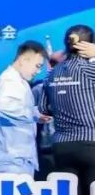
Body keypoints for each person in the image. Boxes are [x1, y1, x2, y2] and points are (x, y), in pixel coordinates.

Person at [46, 25, 95, 195]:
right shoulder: (90, 70)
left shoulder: (53, 73)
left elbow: (44, 107)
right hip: (91, 142)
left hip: (63, 146)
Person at [0, 40, 48, 177]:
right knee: (14, 192)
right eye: (37, 66)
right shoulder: (9, 80)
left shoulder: (20, 81)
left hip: (18, 157)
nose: (38, 71)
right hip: (10, 158)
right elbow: (6, 108)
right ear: (24, 60)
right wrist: (32, 115)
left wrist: (37, 115)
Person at [31, 51, 66, 180]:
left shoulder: (73, 87)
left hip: (66, 145)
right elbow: (30, 115)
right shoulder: (38, 89)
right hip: (44, 147)